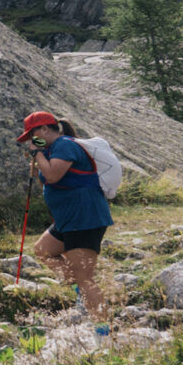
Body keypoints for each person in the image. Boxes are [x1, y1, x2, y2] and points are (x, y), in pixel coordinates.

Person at [17, 111, 113, 336]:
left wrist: (38, 154)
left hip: (84, 217)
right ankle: (80, 290)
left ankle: (103, 332)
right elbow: (48, 178)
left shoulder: (64, 145)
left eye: (32, 135)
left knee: (86, 277)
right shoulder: (53, 150)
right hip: (68, 218)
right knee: (43, 250)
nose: (31, 141)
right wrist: (39, 159)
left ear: (44, 129)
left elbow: (53, 176)